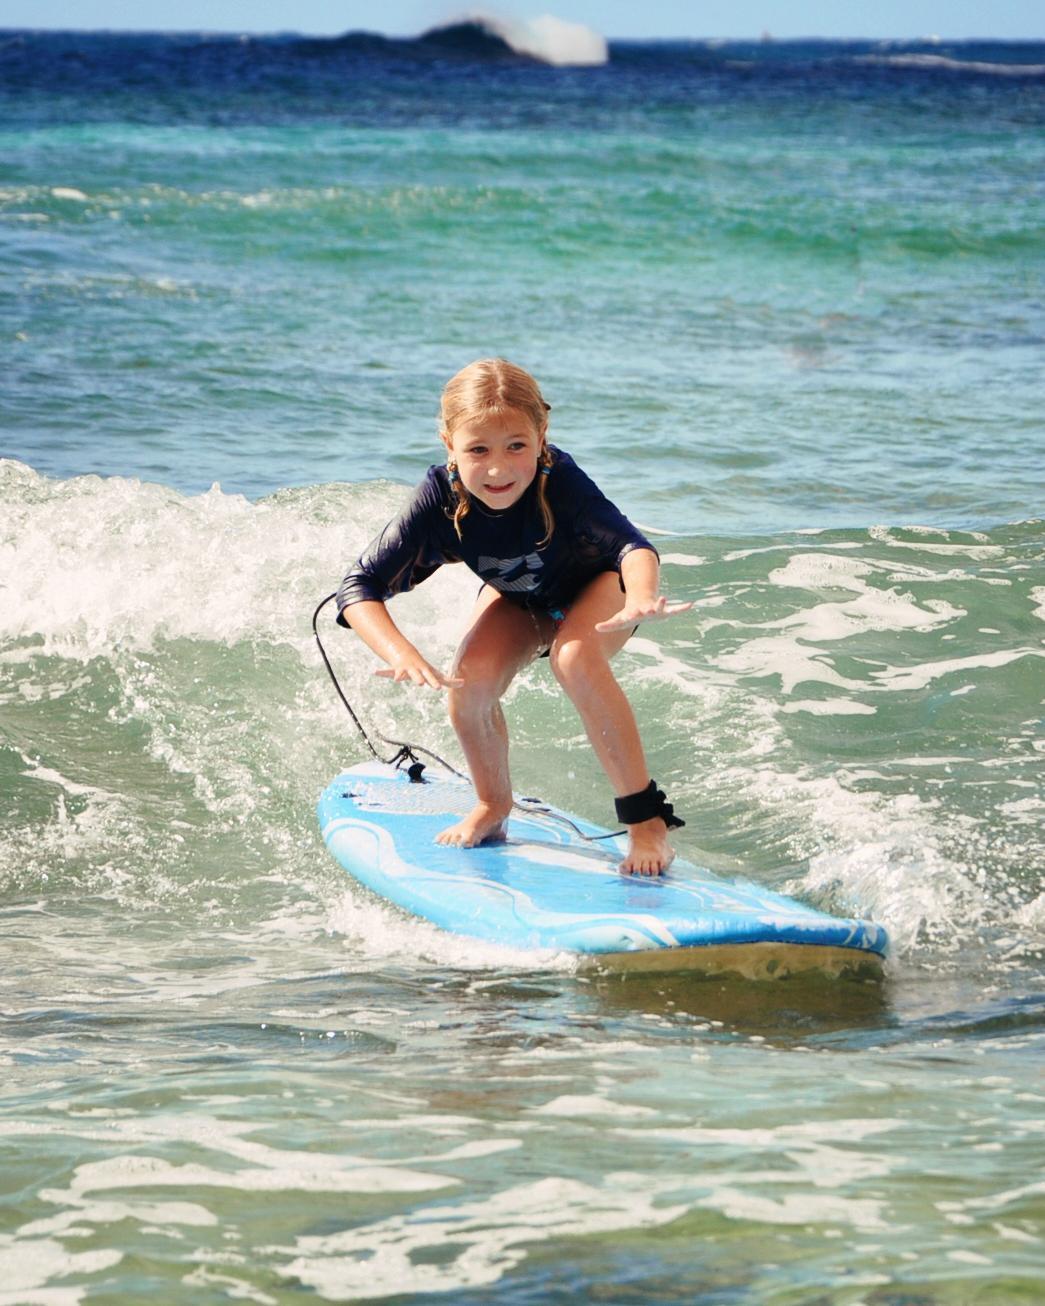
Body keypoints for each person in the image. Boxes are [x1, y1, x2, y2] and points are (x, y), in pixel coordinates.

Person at [336, 358, 692, 876]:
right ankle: (492, 805)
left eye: (516, 446)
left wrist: (640, 595)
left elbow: (633, 547)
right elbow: (357, 588)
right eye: (478, 450)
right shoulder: (439, 497)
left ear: (542, 434)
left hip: (597, 588)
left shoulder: (560, 481)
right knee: (469, 685)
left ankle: (645, 822)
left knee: (573, 659)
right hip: (522, 598)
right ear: (448, 445)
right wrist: (402, 652)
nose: (499, 469)